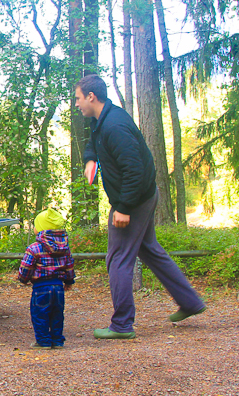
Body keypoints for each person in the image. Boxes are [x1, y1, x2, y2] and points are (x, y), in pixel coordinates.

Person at [74, 74, 206, 339]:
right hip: (140, 195)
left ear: (91, 96)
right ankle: (190, 302)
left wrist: (123, 208)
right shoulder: (101, 120)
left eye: (78, 98)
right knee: (149, 249)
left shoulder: (115, 126)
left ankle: (122, 324)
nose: (76, 104)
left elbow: (134, 169)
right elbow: (93, 143)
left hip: (135, 197)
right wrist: (91, 159)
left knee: (118, 258)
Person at [17, 208, 75, 349]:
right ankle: (57, 340)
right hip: (58, 287)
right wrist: (69, 281)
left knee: (40, 314)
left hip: (41, 287)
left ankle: (43, 341)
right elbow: (69, 265)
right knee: (57, 314)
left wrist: (23, 279)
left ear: (41, 228)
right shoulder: (64, 247)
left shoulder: (34, 248)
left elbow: (26, 266)